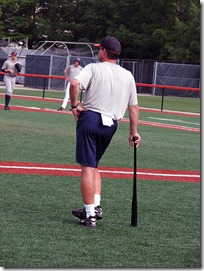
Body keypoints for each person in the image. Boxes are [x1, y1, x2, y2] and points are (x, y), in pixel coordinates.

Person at [69, 36, 141, 228]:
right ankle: (96, 205)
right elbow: (133, 107)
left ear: (103, 51)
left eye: (99, 48)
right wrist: (133, 132)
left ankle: (90, 214)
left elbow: (74, 84)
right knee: (94, 165)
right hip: (111, 125)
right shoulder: (128, 75)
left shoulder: (93, 68)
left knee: (87, 168)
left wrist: (74, 106)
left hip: (91, 119)